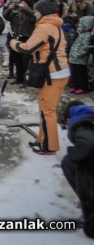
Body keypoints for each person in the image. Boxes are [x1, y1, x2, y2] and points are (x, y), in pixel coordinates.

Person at [10, 0, 69, 155]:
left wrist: (13, 42)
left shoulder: (44, 28)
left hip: (52, 73)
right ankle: (43, 140)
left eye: (36, 11)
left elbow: (28, 48)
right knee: (46, 109)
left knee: (47, 111)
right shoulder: (55, 27)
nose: (34, 13)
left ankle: (50, 146)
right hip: (59, 72)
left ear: (42, 12)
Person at [61, 101, 94, 237]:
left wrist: (72, 152)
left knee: (69, 162)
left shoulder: (82, 124)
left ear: (68, 118)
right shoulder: (89, 118)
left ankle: (90, 211)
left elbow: (88, 143)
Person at [4, 0, 36, 84]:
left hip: (26, 40)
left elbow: (35, 16)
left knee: (25, 62)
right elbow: (6, 17)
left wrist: (26, 8)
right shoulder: (16, 13)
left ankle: (25, 80)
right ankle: (19, 78)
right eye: (21, 2)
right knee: (17, 60)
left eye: (24, 3)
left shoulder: (31, 14)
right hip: (16, 39)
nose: (22, 4)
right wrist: (9, 9)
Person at [68, 16, 94, 94]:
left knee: (81, 75)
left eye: (81, 24)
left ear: (87, 25)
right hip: (74, 58)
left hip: (80, 59)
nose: (79, 25)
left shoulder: (87, 35)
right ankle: (75, 86)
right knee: (74, 74)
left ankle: (83, 87)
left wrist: (77, 54)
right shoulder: (80, 33)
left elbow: (85, 48)